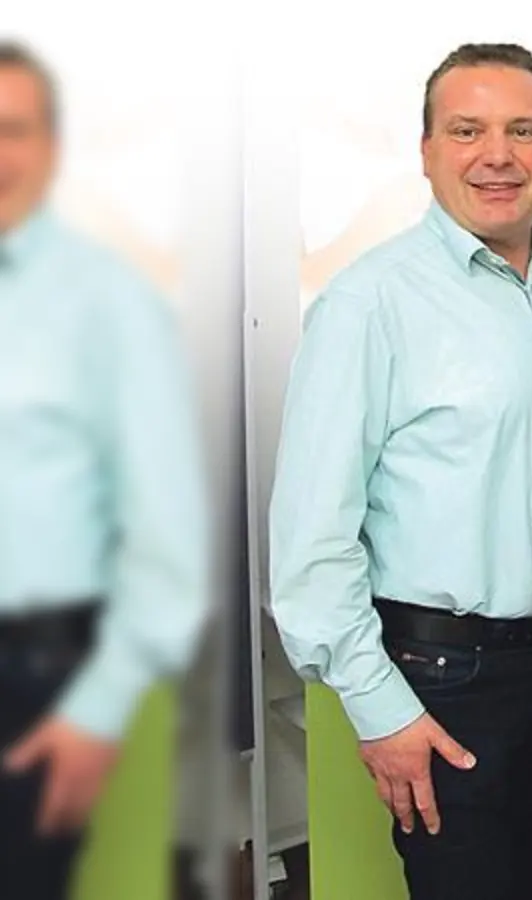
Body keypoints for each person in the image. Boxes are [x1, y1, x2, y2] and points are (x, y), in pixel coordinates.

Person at [267, 42, 532, 900]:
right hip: (444, 683)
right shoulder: (369, 302)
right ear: (426, 150)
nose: (497, 155)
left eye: (522, 129)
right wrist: (381, 709)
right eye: (467, 130)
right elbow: (313, 537)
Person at [0, 41, 210, 898]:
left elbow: (168, 536)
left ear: (49, 148)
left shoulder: (108, 302)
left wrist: (94, 710)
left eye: (10, 129)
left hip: (30, 687)